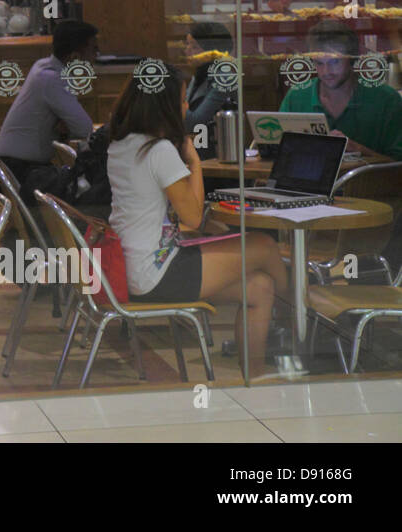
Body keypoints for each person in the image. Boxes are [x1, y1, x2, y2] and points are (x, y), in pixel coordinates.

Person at [106, 67, 287, 374]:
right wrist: (194, 162)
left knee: (260, 286)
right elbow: (193, 217)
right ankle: (299, 323)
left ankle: (254, 374)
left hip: (131, 268)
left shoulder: (122, 143)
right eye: (182, 100)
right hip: (156, 269)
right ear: (163, 105)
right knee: (265, 245)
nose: (186, 107)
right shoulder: (158, 150)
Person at [0, 19, 98, 198]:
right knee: (90, 192)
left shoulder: (42, 67)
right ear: (75, 56)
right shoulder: (51, 79)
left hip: (15, 169)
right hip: (22, 174)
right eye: (93, 49)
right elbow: (85, 128)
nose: (97, 55)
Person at [279, 19, 402, 160]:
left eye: (334, 62)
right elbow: (278, 150)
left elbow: (398, 168)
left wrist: (358, 149)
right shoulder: (297, 96)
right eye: (319, 63)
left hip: (367, 182)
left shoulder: (386, 99)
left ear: (351, 60)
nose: (326, 72)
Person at [182, 20, 238, 141]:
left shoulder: (224, 78)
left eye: (194, 46)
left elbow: (195, 124)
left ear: (212, 50)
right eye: (187, 44)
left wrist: (174, 98)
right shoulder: (200, 73)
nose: (187, 51)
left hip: (217, 150)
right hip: (198, 145)